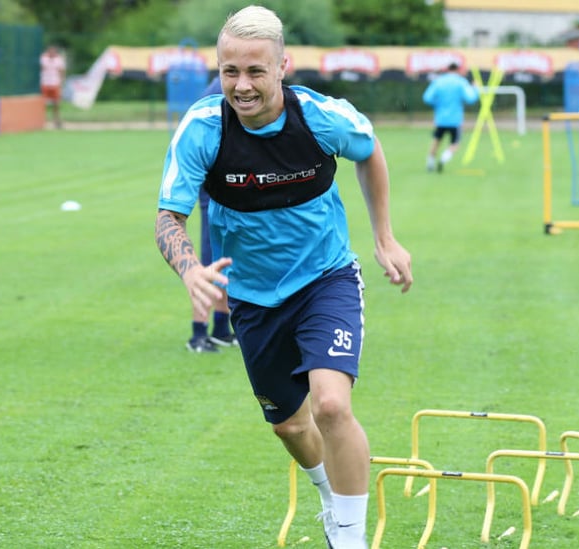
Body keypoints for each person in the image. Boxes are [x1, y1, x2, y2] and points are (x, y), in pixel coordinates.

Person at [154, 6, 412, 548]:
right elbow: (168, 217)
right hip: (251, 297)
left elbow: (370, 150)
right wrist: (189, 268)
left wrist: (384, 236)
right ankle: (328, 495)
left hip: (326, 278)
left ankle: (351, 537)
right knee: (291, 427)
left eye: (255, 72)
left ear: (282, 67)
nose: (242, 86)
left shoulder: (320, 117)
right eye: (230, 72)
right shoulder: (203, 128)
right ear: (218, 69)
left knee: (332, 405)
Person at [186, 75, 237, 353]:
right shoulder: (220, 91)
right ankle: (198, 334)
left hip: (232, 185)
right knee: (209, 261)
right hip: (213, 186)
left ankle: (220, 328)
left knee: (227, 260)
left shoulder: (237, 82)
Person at [422, 62, 478, 172]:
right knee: (455, 143)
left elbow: (427, 98)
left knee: (436, 140)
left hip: (440, 118)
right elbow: (471, 99)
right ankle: (444, 158)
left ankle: (430, 162)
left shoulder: (439, 81)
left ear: (447, 69)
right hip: (455, 119)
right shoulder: (461, 82)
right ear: (458, 70)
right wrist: (475, 89)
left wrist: (437, 104)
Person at [39, 45, 67, 129]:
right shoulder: (43, 59)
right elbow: (40, 68)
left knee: (56, 103)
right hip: (45, 83)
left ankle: (56, 120)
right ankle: (42, 120)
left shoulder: (59, 60)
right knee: (42, 103)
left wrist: (61, 82)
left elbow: (61, 71)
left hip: (55, 83)